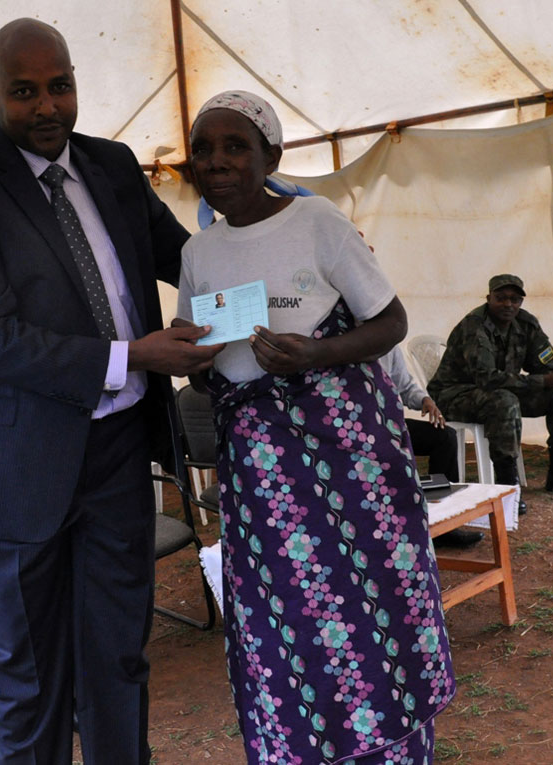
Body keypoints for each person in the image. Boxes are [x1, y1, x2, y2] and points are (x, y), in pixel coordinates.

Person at [0, 18, 222, 765]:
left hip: (116, 455)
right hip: (14, 469)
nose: (47, 107)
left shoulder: (112, 166)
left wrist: (293, 249)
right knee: (33, 674)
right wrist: (132, 355)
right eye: (25, 92)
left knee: (118, 657)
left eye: (60, 86)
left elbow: (190, 257)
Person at [176, 91, 454, 764]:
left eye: (236, 146)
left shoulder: (318, 221)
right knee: (287, 623)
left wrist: (315, 353)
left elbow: (390, 323)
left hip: (349, 463)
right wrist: (202, 365)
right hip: (262, 478)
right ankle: (297, 746)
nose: (217, 162)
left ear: (272, 154)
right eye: (204, 149)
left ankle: (390, 746)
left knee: (372, 605)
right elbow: (197, 360)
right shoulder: (199, 253)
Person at [428, 274, 553, 514]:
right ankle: (507, 486)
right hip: (453, 395)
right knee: (504, 401)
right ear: (489, 298)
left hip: (497, 391)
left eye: (514, 299)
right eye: (500, 298)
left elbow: (543, 363)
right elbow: (486, 378)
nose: (508, 304)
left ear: (520, 302)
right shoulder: (474, 326)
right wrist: (542, 380)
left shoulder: (525, 323)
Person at [379, 346, 484, 548]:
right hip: (358, 429)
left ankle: (444, 525)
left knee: (444, 437)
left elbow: (406, 386)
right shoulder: (342, 345)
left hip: (391, 424)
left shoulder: (387, 344)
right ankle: (399, 527)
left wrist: (424, 400)